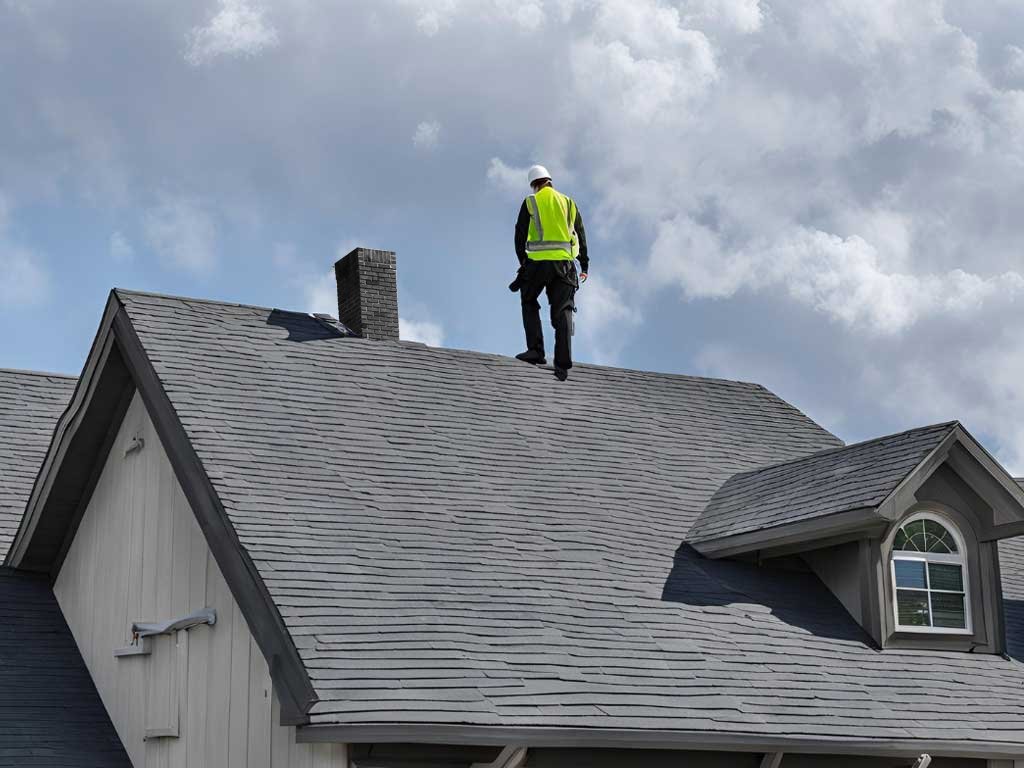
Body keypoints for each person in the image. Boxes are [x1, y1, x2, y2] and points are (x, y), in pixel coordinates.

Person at [511, 165, 589, 381]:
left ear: (534, 184)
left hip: (538, 264)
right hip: (565, 265)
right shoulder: (568, 202)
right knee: (563, 311)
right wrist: (584, 264)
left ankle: (536, 351)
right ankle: (562, 364)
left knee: (528, 299)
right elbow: (581, 233)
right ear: (549, 180)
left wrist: (523, 262)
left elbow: (519, 235)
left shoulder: (531, 201)